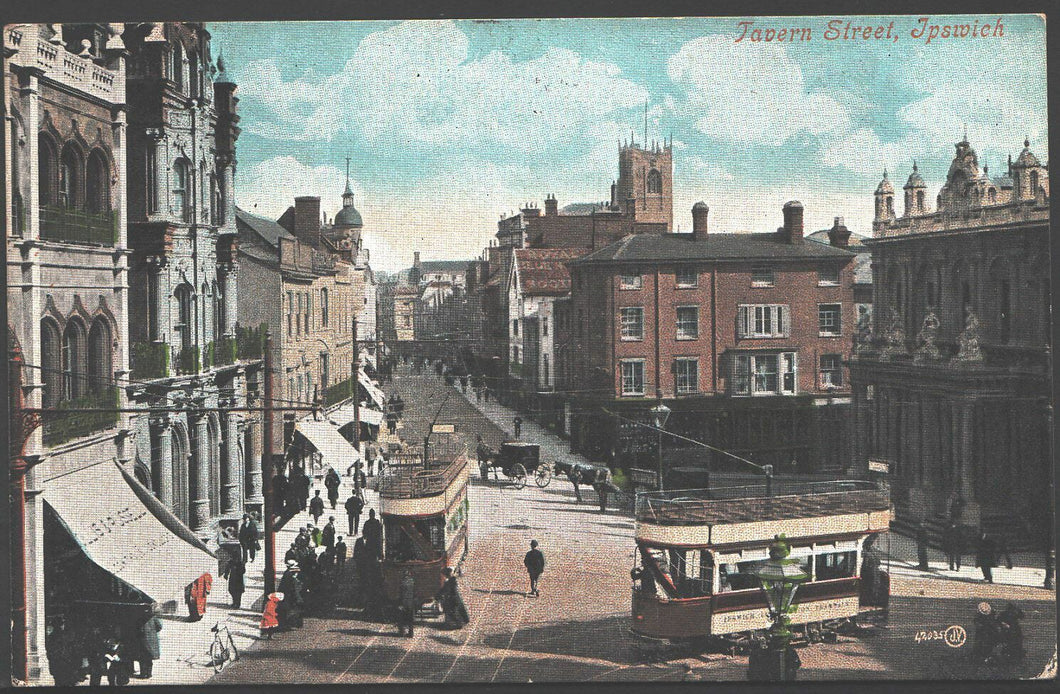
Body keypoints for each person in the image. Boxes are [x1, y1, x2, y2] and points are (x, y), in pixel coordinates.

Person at [136, 604, 162, 679]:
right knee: (149, 658)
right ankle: (149, 674)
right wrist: (153, 632)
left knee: (142, 658)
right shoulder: (153, 617)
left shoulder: (140, 618)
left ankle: (143, 674)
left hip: (142, 640)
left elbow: (137, 629)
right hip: (152, 640)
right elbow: (159, 627)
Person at [278, 560, 305, 629]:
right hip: (291, 596)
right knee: (294, 610)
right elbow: (294, 588)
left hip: (288, 595)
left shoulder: (287, 573)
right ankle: (293, 624)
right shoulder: (291, 576)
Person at [398, 570, 417, 637]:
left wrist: (400, 603)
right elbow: (415, 592)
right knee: (410, 618)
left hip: (404, 602)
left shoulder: (402, 582)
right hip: (411, 602)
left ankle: (402, 632)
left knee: (401, 617)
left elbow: (401, 594)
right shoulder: (412, 581)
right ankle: (411, 633)